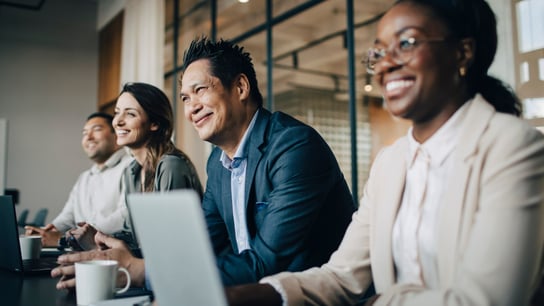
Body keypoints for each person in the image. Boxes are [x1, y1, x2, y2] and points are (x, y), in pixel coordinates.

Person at [225, 1, 544, 305]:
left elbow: (488, 301)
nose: (386, 62)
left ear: (462, 53)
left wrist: (385, 301)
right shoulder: (390, 163)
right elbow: (342, 278)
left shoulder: (514, 147)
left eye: (406, 43)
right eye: (379, 51)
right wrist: (240, 296)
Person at [51, 39, 356, 289]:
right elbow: (200, 245)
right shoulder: (218, 162)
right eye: (184, 98)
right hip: (249, 292)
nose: (191, 107)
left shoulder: (294, 147)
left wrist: (143, 270)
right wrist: (122, 259)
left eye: (200, 90)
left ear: (240, 88)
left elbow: (268, 261)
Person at [25, 112, 132, 248]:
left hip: (111, 251)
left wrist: (72, 237)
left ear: (117, 135)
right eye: (84, 133)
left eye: (97, 129)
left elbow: (125, 217)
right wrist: (48, 231)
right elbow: (68, 215)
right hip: (80, 247)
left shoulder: (131, 167)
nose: (88, 137)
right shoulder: (85, 177)